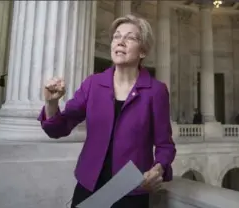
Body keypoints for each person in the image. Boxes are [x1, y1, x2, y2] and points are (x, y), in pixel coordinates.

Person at [38, 14, 176, 208]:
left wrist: (158, 169)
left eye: (130, 37)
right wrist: (51, 104)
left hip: (131, 190)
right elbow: (58, 129)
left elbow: (165, 145)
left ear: (143, 51)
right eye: (116, 36)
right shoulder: (93, 84)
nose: (121, 41)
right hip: (89, 186)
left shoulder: (156, 91)